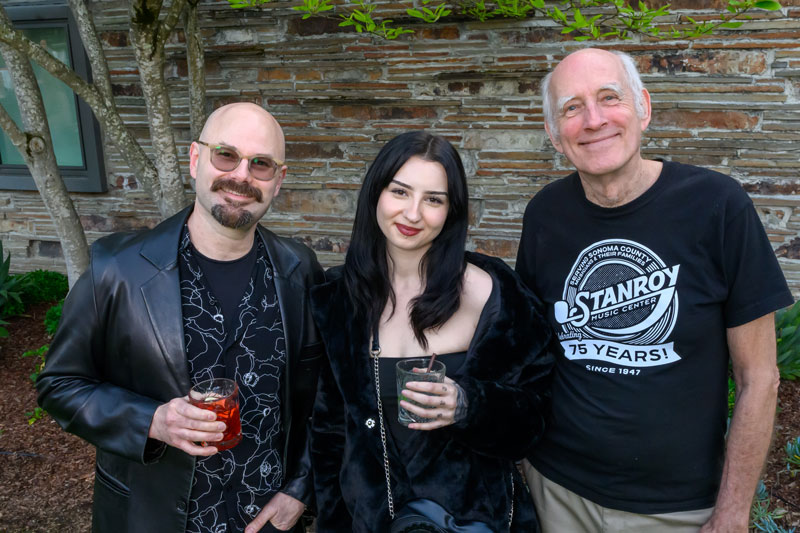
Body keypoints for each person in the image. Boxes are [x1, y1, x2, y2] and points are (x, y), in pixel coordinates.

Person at [516, 48, 794, 533]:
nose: (594, 119)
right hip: (556, 491)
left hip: (677, 509)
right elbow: (529, 351)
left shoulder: (718, 207)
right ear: (554, 134)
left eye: (610, 97)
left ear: (643, 107)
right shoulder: (544, 215)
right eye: (572, 107)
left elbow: (759, 378)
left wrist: (732, 514)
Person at [36, 102, 324, 533]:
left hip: (266, 521)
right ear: (195, 159)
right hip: (151, 519)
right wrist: (150, 421)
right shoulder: (116, 269)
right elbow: (59, 384)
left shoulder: (300, 270)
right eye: (225, 155)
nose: (241, 175)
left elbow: (324, 397)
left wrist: (300, 489)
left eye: (260, 164)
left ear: (278, 180)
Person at [309, 131, 554, 532]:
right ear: (375, 193)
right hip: (372, 521)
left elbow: (535, 419)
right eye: (400, 192)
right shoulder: (337, 298)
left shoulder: (493, 293)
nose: (413, 214)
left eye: (434, 200)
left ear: (451, 211)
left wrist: (467, 404)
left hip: (473, 521)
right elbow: (330, 431)